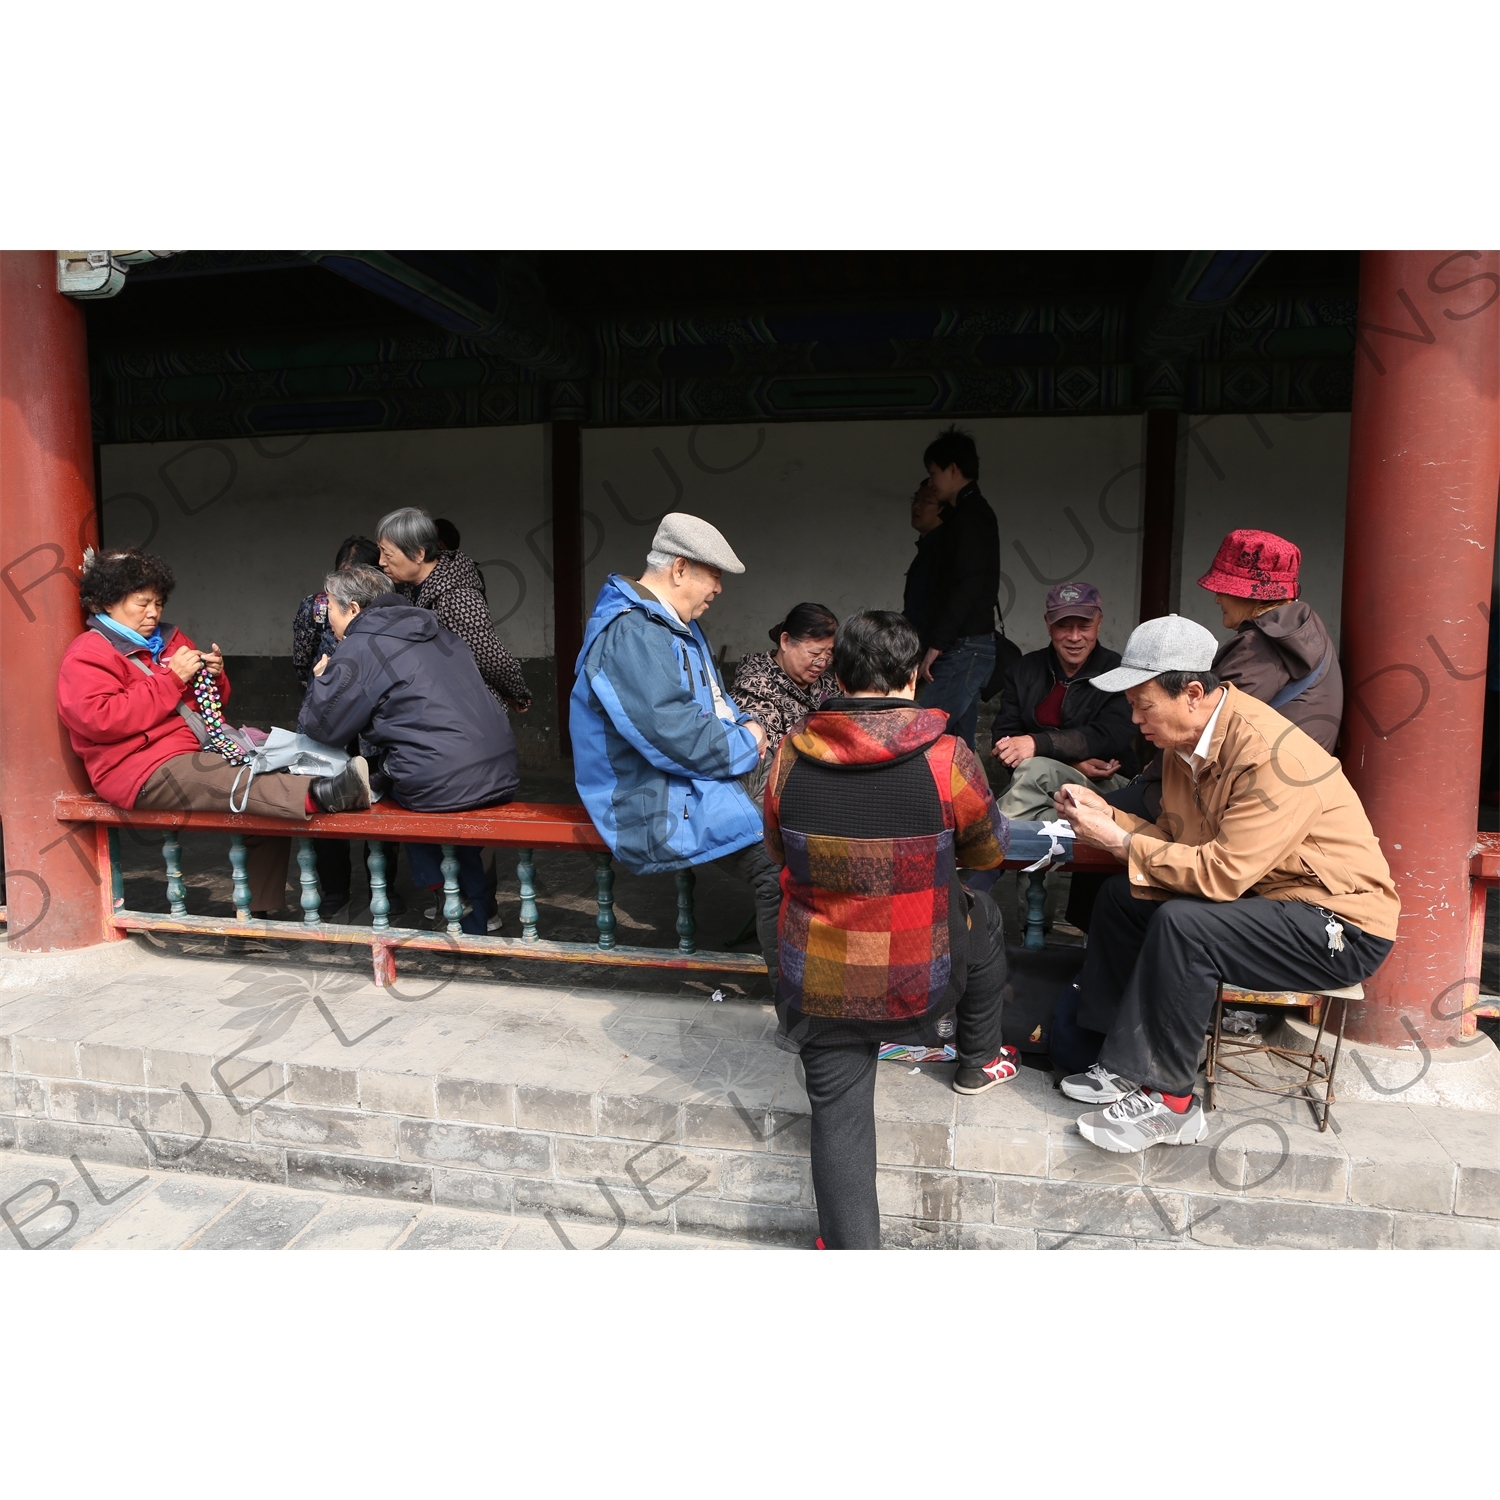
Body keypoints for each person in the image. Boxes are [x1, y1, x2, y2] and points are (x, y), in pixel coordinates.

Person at [1049, 615, 1398, 1154]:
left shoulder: (1270, 753)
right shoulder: (1181, 745)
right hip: (1262, 900)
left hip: (1337, 925)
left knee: (1185, 925)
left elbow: (1220, 874)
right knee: (1125, 897)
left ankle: (1172, 1104)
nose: (1135, 717)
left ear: (1191, 693)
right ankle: (1119, 1064)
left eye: (1144, 704)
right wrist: (1109, 820)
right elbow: (1175, 841)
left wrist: (1120, 843)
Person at [763, 610, 1017, 1249]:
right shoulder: (947, 757)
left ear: (839, 674)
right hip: (918, 977)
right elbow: (987, 856)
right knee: (982, 913)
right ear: (912, 677)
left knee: (841, 1119)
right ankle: (977, 1057)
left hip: (819, 980)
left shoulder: (789, 756)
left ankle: (851, 1250)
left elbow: (776, 851)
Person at [57, 549, 371, 919]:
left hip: (197, 748)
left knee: (269, 773)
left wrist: (213, 674)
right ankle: (323, 794)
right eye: (141, 603)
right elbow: (99, 719)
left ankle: (260, 915)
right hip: (137, 767)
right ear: (107, 603)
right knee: (241, 780)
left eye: (158, 602)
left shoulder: (169, 639)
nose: (153, 613)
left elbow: (210, 706)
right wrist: (171, 680)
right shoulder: (88, 653)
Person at [569, 513, 782, 989]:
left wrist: (745, 729)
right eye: (715, 576)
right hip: (650, 798)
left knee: (815, 822)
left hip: (687, 780)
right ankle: (801, 1015)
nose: (719, 589)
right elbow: (674, 735)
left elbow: (716, 708)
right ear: (680, 568)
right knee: (781, 871)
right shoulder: (633, 631)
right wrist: (748, 742)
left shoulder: (671, 624)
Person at [297, 565, 520, 936]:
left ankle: (442, 891)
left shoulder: (361, 644)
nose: (327, 621)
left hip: (440, 775)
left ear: (353, 609)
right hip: (501, 768)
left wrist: (321, 681)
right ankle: (474, 918)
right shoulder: (436, 629)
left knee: (389, 790)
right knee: (419, 782)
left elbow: (322, 729)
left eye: (330, 610)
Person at [1108, 528, 1344, 824]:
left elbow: (1203, 720)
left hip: (1250, 795)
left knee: (1096, 820)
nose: (1217, 597)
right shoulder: (1304, 633)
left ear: (1251, 594)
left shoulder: (1260, 647)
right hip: (1282, 788)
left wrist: (1147, 780)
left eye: (1224, 588)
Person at [989, 581, 1138, 821]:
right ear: (1048, 623)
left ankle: (992, 837)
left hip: (1106, 786)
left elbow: (1112, 735)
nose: (1074, 637)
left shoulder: (1118, 673)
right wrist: (1070, 762)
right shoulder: (1023, 670)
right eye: (1063, 626)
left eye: (1085, 626)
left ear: (1099, 623)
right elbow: (1005, 738)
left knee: (1033, 768)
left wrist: (1037, 744)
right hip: (1038, 789)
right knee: (1045, 816)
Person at [293, 535, 382, 915]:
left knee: (364, 793)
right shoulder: (319, 606)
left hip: (334, 712)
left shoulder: (377, 609)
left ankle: (343, 890)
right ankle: (356, 889)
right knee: (333, 792)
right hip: (339, 715)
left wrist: (323, 689)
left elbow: (300, 661)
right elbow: (301, 661)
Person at [903, 426, 1000, 749]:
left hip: (963, 645)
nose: (931, 481)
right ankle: (972, 802)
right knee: (958, 746)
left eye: (934, 473)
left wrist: (937, 644)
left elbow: (966, 585)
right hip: (963, 644)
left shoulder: (971, 517)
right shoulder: (967, 514)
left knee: (920, 735)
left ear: (953, 470)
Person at [377, 507, 527, 711]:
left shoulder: (456, 595)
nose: (381, 562)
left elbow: (491, 657)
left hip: (469, 712)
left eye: (387, 553)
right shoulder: (412, 589)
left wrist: (517, 693)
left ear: (419, 553)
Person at [730, 602, 838, 757]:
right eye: (815, 654)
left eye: (828, 655)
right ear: (786, 641)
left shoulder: (827, 684)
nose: (822, 664)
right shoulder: (754, 690)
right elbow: (768, 757)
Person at [293, 536, 381, 692]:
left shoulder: (387, 607)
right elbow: (302, 663)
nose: (349, 586)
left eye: (357, 579)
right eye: (344, 576)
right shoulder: (316, 608)